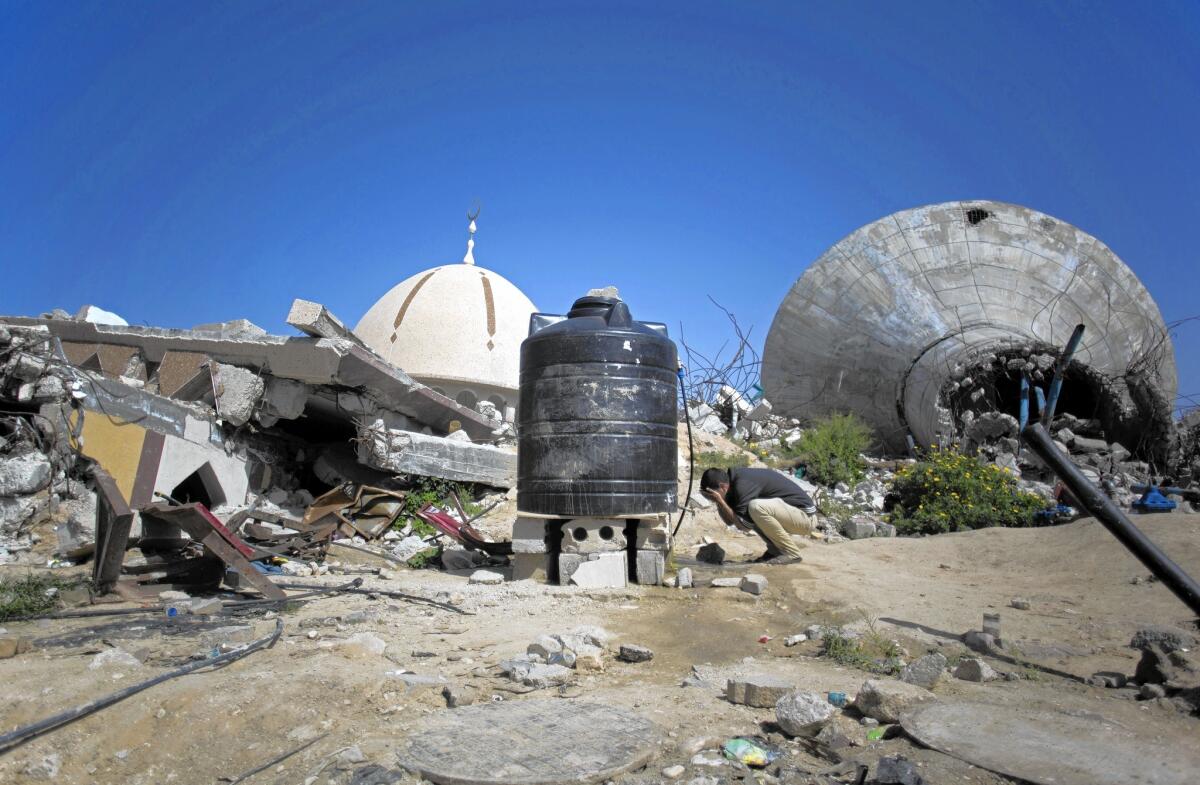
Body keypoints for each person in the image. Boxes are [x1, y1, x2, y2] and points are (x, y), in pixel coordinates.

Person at [700, 466, 817, 564]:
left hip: (805, 518)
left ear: (723, 487)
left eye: (711, 496)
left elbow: (743, 527)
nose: (710, 499)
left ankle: (791, 553)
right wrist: (719, 501)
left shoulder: (742, 485)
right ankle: (775, 551)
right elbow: (730, 521)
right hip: (790, 515)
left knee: (755, 507)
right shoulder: (731, 486)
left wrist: (720, 501)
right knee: (750, 514)